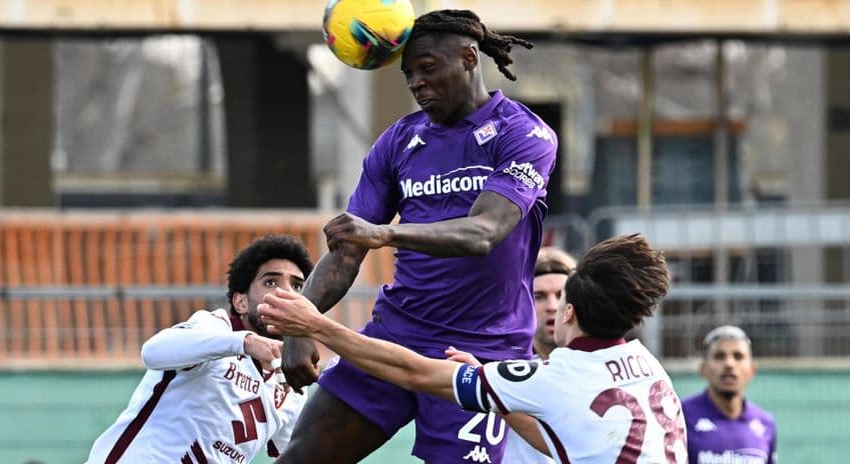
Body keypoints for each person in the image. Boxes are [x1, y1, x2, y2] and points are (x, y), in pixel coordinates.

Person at [278, 8, 557, 464]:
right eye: (408, 74)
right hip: (395, 337)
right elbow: (348, 250)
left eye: (427, 68)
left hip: (479, 355)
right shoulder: (397, 141)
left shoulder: (523, 134)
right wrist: (301, 321)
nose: (416, 83)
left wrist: (384, 233)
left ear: (469, 58)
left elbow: (483, 233)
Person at [263, 234, 688, 463]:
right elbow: (562, 439)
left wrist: (316, 324)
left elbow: (415, 372)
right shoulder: (647, 366)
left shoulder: (555, 378)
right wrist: (493, 392)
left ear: (569, 312)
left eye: (558, 300)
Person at [84, 235, 314, 464]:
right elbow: (152, 352)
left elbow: (295, 453)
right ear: (240, 302)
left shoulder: (292, 378)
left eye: (297, 286)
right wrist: (246, 342)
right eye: (271, 282)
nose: (287, 293)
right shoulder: (215, 327)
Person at [502, 246, 575, 463]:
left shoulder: (600, 368)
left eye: (561, 295)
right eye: (539, 296)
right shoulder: (501, 371)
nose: (552, 306)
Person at [682, 325, 777, 464]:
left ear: (752, 370)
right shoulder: (681, 416)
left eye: (738, 356)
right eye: (719, 356)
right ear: (703, 369)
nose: (729, 364)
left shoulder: (765, 423)